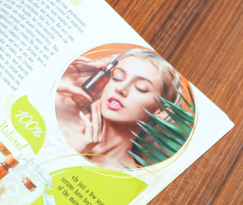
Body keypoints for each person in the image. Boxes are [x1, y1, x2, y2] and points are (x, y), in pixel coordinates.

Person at [55, 48, 188, 170]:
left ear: (161, 111)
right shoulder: (60, 108)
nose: (121, 88)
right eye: (117, 78)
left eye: (141, 87)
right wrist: (55, 79)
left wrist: (77, 150)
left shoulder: (126, 174)